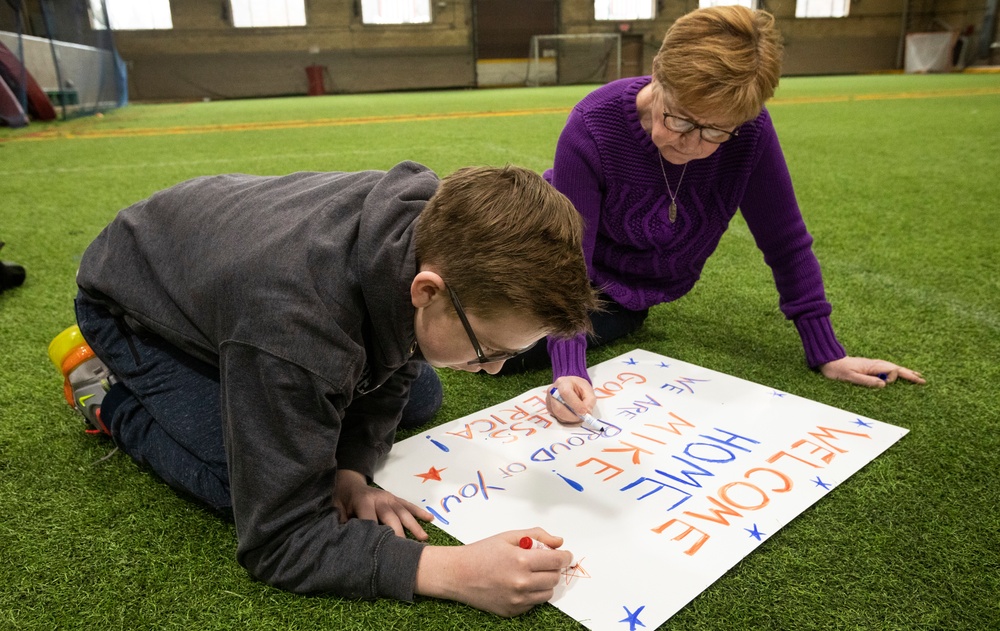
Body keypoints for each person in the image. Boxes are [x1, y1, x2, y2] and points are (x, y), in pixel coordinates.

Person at [48, 162, 598, 616]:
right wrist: (449, 571)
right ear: (426, 290)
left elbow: (398, 346)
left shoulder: (432, 227)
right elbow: (279, 540)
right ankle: (108, 397)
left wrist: (353, 469)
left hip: (219, 261)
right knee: (243, 485)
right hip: (128, 304)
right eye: (488, 351)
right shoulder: (295, 329)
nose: (497, 371)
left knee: (422, 395)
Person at [498, 6, 925, 424]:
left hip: (624, 293)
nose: (692, 144)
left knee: (517, 350)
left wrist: (827, 352)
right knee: (495, 331)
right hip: (550, 248)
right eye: (680, 120)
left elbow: (786, 240)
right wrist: (569, 367)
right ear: (658, 73)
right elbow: (572, 258)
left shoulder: (750, 132)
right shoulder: (594, 124)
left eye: (716, 132)